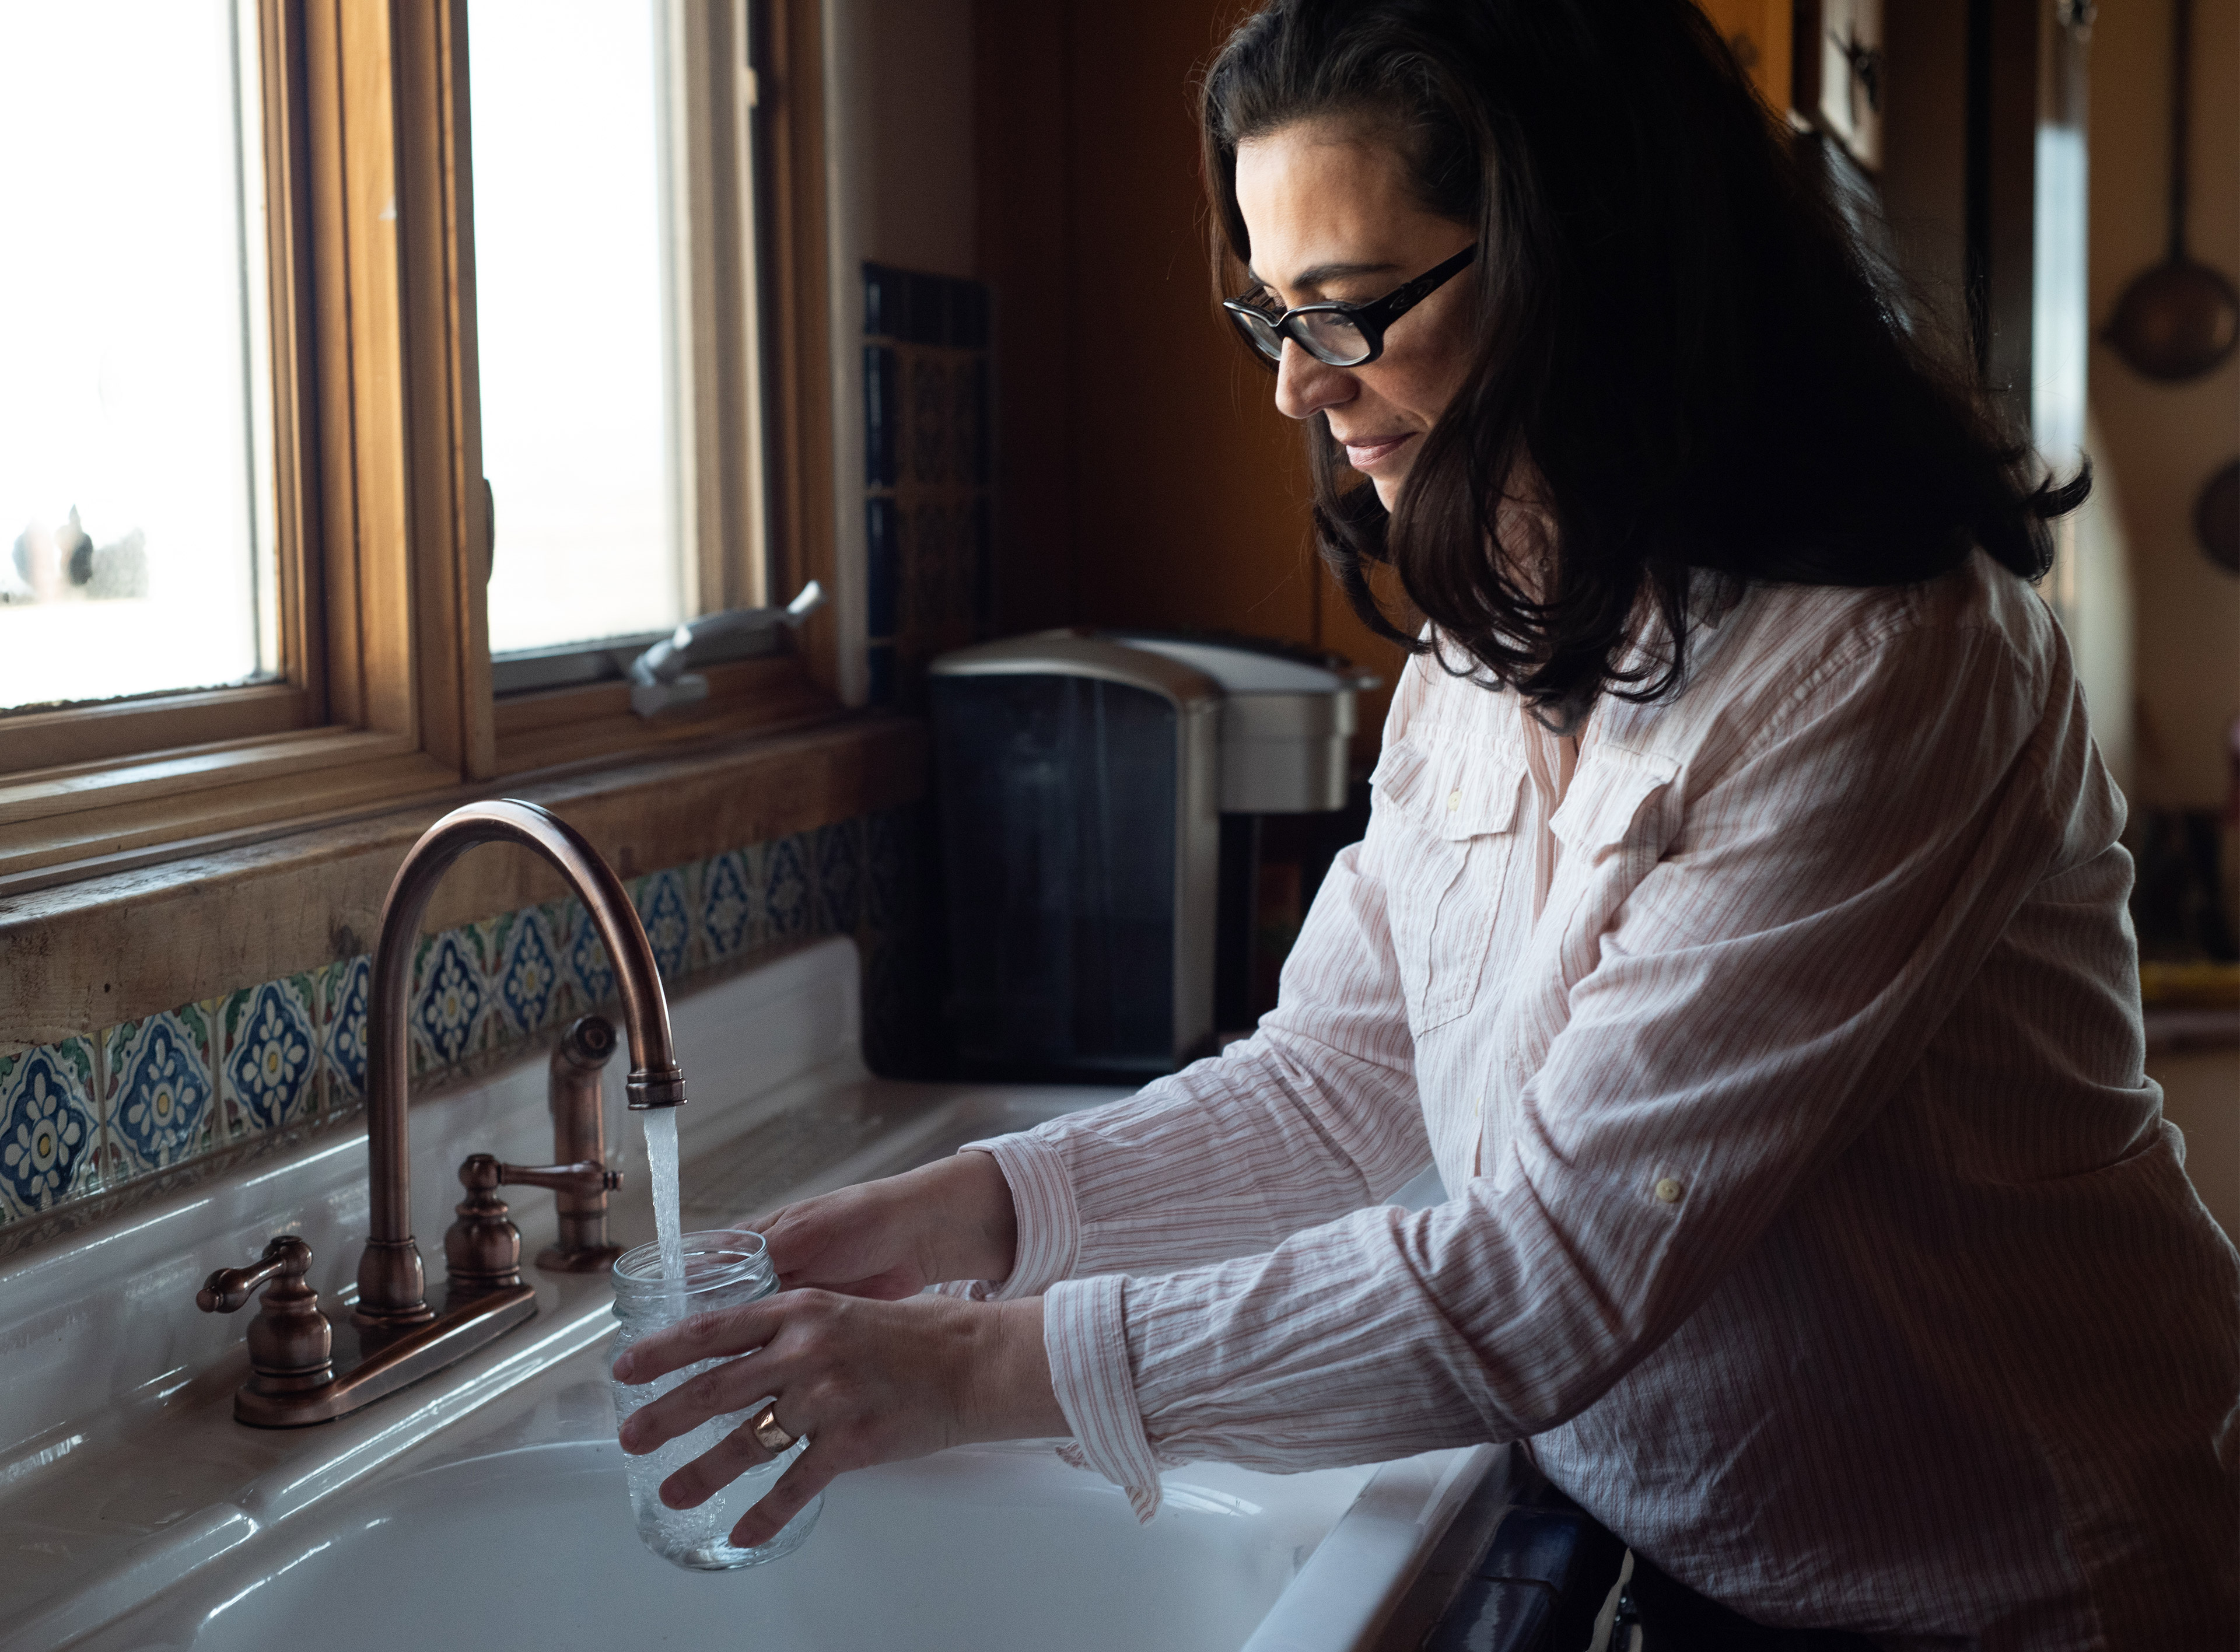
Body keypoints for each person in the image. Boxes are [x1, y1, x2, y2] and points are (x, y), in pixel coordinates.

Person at [612, 2, 2240, 1643]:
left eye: (1350, 310)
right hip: (1694, 1561)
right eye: (1272, 317)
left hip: (2022, 1590)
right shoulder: (1505, 611)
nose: (1296, 391)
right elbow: (1344, 1080)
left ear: (1582, 258)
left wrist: (970, 1366)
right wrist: (970, 1213)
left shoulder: (1881, 661)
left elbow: (1554, 1278)